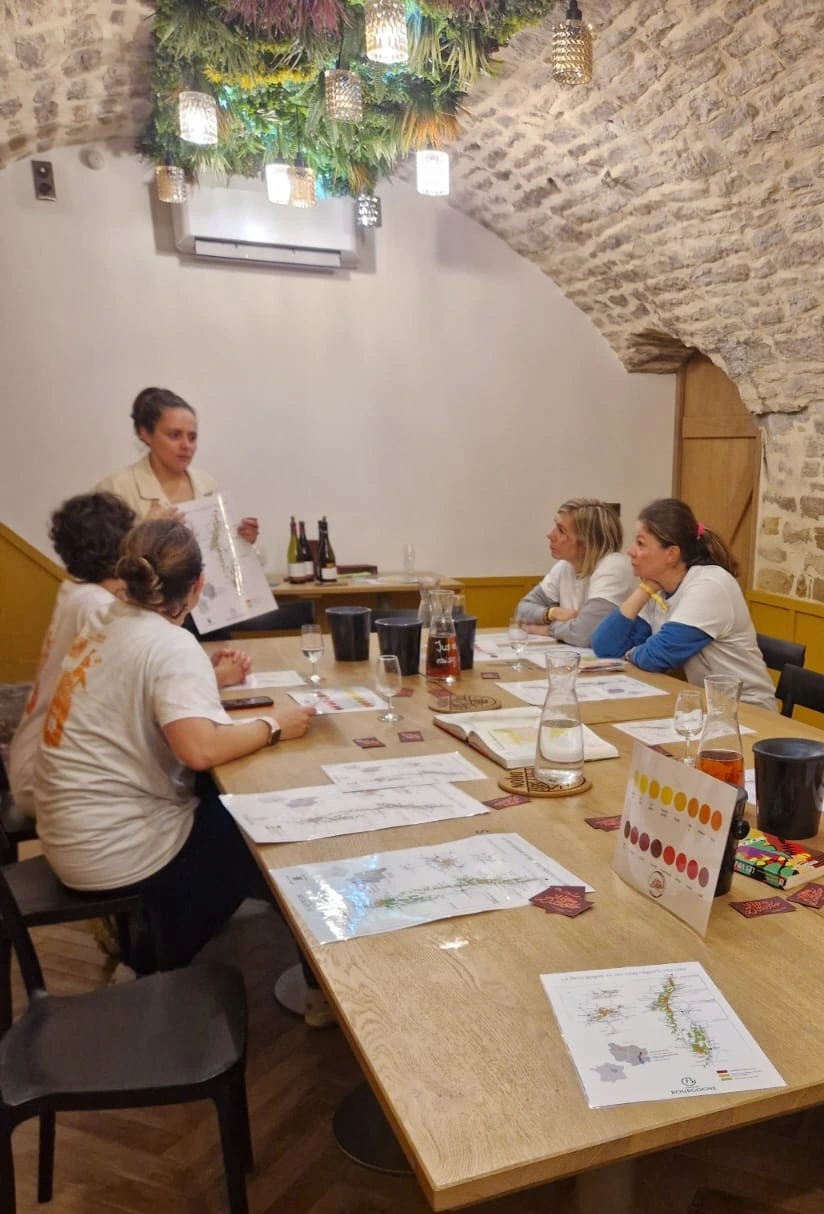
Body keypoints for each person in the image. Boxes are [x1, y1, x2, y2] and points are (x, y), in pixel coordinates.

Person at [33, 518, 315, 978]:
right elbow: (198, 750)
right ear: (199, 584)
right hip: (113, 851)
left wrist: (212, 678)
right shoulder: (170, 643)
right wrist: (275, 724)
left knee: (220, 803)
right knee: (259, 823)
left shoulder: (102, 621)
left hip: (66, 835)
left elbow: (138, 690)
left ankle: (156, 942)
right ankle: (145, 964)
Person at [591, 498, 776, 710]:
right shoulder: (658, 588)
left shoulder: (710, 585)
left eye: (640, 543)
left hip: (747, 710)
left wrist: (629, 654)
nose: (630, 551)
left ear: (671, 554)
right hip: (707, 706)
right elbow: (604, 646)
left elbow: (656, 656)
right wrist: (644, 590)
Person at [95, 386, 259, 543]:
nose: (186, 445)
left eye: (192, 437)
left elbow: (227, 556)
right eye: (174, 435)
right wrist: (143, 536)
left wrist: (245, 540)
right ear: (144, 434)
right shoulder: (114, 489)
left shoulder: (209, 486)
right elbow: (94, 562)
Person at [515, 499, 634, 647]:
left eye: (561, 530)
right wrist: (551, 613)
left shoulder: (614, 566)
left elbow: (584, 635)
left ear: (586, 543)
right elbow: (522, 610)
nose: (550, 534)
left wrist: (545, 629)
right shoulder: (564, 566)